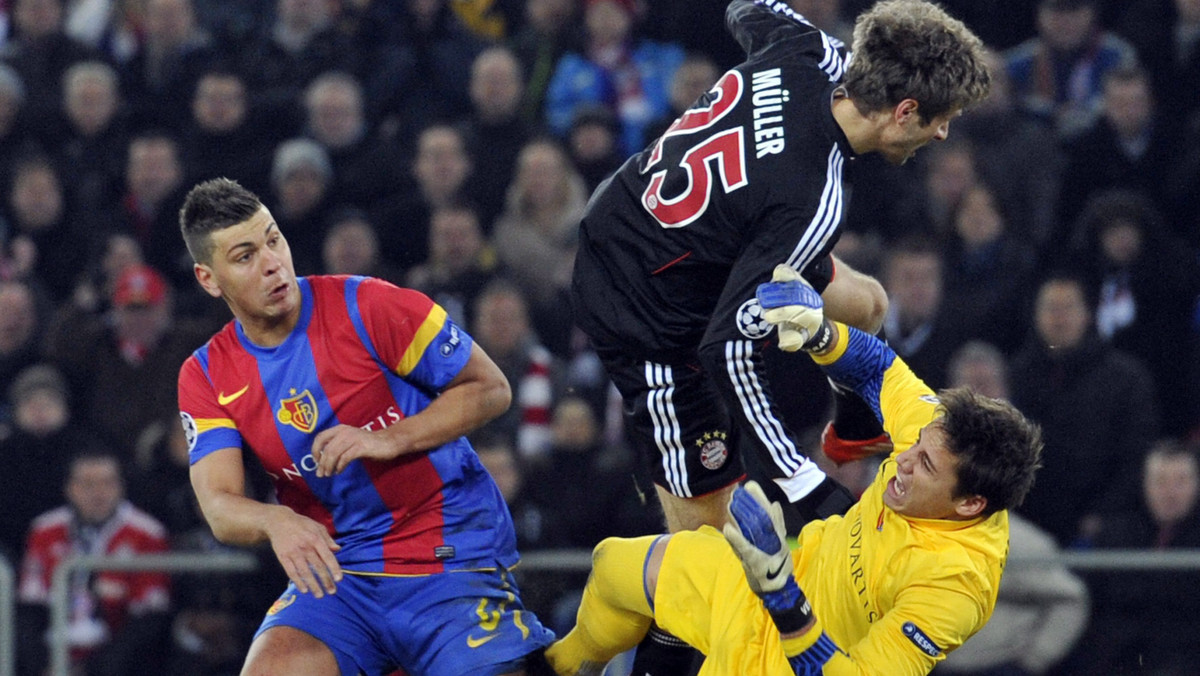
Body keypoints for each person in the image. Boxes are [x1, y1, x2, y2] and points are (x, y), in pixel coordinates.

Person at [573, 0, 990, 547]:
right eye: (942, 121)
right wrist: (802, 480)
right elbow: (726, 350)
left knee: (867, 304)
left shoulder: (811, 50)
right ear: (906, 111)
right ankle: (660, 623)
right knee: (712, 554)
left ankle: (855, 427)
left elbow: (747, 9)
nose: (940, 136)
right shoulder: (813, 198)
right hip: (643, 301)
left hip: (694, 222)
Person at [175, 178, 553, 676]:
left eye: (273, 240)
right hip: (339, 574)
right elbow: (219, 506)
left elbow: (490, 388)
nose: (271, 263)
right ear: (208, 278)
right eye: (245, 256)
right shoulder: (205, 374)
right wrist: (276, 521)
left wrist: (387, 438)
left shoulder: (368, 305)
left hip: (443, 552)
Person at [544, 312, 1043, 676]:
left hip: (791, 655)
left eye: (926, 466)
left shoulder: (954, 588)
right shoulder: (937, 435)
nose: (903, 459)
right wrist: (822, 335)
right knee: (613, 567)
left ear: (970, 504)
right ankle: (556, 668)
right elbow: (879, 368)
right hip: (767, 582)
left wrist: (784, 599)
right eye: (915, 446)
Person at [17, 450, 171, 676]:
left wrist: (92, 670)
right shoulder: (44, 530)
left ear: (121, 487)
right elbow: (30, 608)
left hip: (114, 658)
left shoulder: (147, 534)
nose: (99, 493)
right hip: (51, 654)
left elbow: (149, 618)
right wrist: (44, 667)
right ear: (69, 488)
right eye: (88, 484)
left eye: (107, 483)